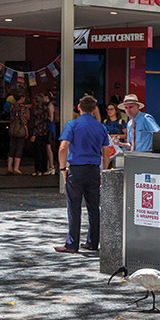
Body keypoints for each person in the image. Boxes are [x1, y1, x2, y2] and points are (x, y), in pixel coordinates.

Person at [54, 95, 113, 254]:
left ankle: (72, 243)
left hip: (77, 169)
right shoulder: (101, 127)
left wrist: (62, 169)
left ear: (78, 108)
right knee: (94, 207)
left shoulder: (72, 125)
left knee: (74, 207)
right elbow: (106, 153)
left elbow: (62, 148)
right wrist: (104, 171)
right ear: (95, 109)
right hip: (94, 169)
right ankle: (93, 242)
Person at [5, 93, 29, 175]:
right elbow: (23, 119)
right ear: (22, 98)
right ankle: (16, 168)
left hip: (12, 128)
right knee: (19, 147)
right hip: (19, 129)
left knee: (12, 147)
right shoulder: (21, 107)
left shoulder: (12, 106)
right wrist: (26, 129)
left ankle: (9, 167)